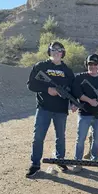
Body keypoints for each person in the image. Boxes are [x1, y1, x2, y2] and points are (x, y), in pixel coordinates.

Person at [26, 41, 75, 177]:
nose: (56, 52)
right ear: (49, 51)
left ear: (63, 53)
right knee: (38, 137)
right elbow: (31, 85)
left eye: (59, 50)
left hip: (61, 110)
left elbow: (73, 90)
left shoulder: (68, 71)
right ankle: (35, 164)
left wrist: (73, 102)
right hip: (43, 108)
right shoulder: (41, 66)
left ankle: (60, 160)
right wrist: (47, 89)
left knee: (61, 137)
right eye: (53, 49)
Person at [71, 54, 98, 172]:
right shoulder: (80, 78)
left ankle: (94, 160)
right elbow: (77, 93)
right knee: (81, 138)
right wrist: (89, 101)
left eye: (95, 64)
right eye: (90, 64)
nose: (92, 66)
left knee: (97, 139)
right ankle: (77, 162)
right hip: (84, 113)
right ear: (86, 65)